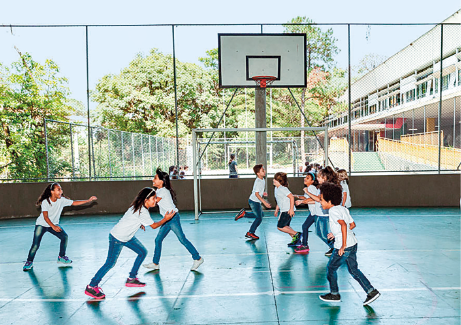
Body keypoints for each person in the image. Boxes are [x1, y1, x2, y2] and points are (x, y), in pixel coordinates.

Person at [84, 188, 175, 299]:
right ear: (146, 199)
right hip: (117, 238)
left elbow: (133, 218)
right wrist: (166, 218)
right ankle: (91, 286)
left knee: (142, 252)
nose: (156, 200)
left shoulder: (138, 208)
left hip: (127, 237)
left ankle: (132, 278)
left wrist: (140, 223)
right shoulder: (142, 211)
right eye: (153, 198)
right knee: (110, 263)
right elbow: (154, 226)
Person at [318, 182, 380, 306]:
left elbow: (344, 225)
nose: (320, 202)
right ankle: (371, 291)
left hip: (344, 246)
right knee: (354, 270)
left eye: (321, 200)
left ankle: (334, 294)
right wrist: (335, 234)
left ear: (329, 201)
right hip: (353, 244)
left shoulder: (333, 211)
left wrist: (342, 245)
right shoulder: (342, 208)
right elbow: (352, 225)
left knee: (331, 269)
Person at [23, 183, 97, 271]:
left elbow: (74, 203)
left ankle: (61, 257)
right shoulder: (45, 202)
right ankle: (29, 261)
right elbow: (45, 217)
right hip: (42, 224)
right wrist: (53, 226)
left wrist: (88, 201)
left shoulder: (61, 200)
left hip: (53, 224)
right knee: (35, 244)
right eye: (58, 189)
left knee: (64, 237)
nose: (61, 191)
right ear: (52, 191)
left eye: (61, 189)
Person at [143, 168, 204, 271]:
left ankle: (197, 258)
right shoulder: (158, 191)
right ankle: (155, 263)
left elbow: (152, 203)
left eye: (155, 178)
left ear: (161, 181)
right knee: (158, 240)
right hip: (167, 219)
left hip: (173, 218)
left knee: (182, 239)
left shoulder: (163, 191)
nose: (153, 180)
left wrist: (140, 205)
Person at [304, 166, 338, 257]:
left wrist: (307, 193)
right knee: (319, 233)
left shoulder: (325, 188)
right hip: (318, 213)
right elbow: (316, 200)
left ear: (325, 178)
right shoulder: (321, 187)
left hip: (324, 214)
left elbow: (318, 199)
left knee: (324, 234)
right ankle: (334, 247)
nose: (317, 179)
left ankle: (336, 247)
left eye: (319, 177)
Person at [235, 164, 271, 240]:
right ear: (258, 173)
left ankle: (244, 214)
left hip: (255, 201)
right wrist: (264, 202)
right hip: (254, 202)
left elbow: (258, 191)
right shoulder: (258, 181)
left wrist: (263, 193)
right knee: (259, 218)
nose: (264, 171)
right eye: (262, 170)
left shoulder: (262, 179)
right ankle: (250, 233)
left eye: (264, 170)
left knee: (261, 214)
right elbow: (256, 194)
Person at [273, 172, 300, 246]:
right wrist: (276, 209)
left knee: (280, 227)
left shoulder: (282, 188)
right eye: (274, 178)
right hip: (283, 210)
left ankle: (297, 234)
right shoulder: (276, 188)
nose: (274, 180)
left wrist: (291, 209)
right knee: (286, 227)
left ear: (280, 181)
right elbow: (279, 200)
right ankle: (296, 241)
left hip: (287, 210)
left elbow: (291, 197)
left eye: (276, 179)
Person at [294, 172, 318, 253]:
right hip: (313, 213)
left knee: (321, 233)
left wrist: (301, 201)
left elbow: (315, 199)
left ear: (312, 181)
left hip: (317, 213)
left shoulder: (311, 188)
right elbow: (306, 197)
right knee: (305, 226)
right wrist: (297, 196)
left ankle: (334, 246)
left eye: (308, 178)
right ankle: (304, 245)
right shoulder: (309, 188)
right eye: (305, 177)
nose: (305, 179)